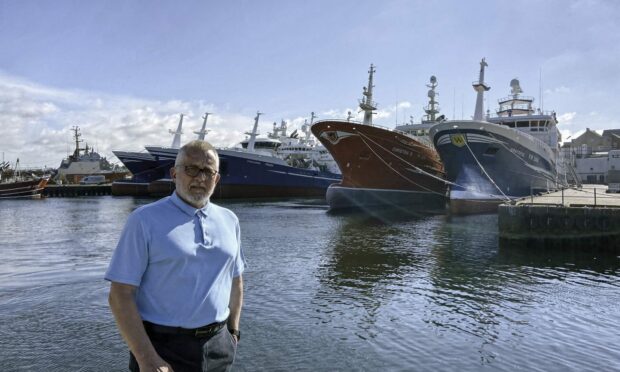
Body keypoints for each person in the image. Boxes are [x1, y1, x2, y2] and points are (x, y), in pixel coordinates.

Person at [106, 140, 246, 372]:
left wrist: (233, 331)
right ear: (174, 173)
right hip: (163, 348)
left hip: (219, 346)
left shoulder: (230, 220)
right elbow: (120, 294)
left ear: (217, 179)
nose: (200, 178)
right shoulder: (143, 220)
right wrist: (146, 359)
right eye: (191, 169)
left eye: (208, 171)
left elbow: (236, 280)